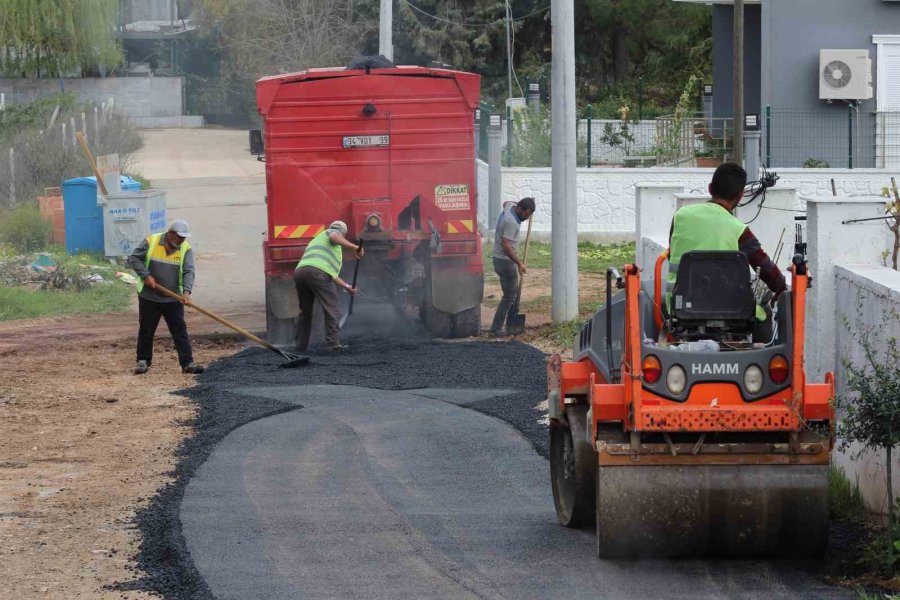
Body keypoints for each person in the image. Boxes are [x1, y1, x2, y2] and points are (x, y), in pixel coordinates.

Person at [668, 163, 786, 336]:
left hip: (677, 306)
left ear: (710, 189)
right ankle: (758, 356)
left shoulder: (681, 215)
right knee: (764, 314)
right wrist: (781, 287)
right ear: (740, 196)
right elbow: (765, 267)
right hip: (730, 310)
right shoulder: (739, 230)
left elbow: (673, 252)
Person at [127, 219, 205, 375]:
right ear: (170, 234)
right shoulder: (152, 241)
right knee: (146, 329)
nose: (181, 240)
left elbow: (189, 271)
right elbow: (134, 258)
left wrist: (186, 292)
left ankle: (187, 363)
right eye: (179, 237)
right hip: (149, 296)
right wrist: (146, 276)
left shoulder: (185, 249)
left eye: (184, 238)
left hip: (173, 298)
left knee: (179, 330)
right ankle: (143, 361)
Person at [293, 220, 364, 352]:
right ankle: (333, 345)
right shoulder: (332, 233)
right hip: (316, 273)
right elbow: (333, 236)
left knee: (305, 312)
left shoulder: (319, 241)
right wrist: (355, 247)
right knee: (333, 308)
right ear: (343, 234)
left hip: (300, 273)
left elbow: (330, 274)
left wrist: (348, 287)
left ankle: (300, 347)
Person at [490, 197, 536, 337]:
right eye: (526, 215)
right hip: (505, 262)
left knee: (512, 293)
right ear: (519, 209)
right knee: (510, 296)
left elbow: (505, 202)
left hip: (500, 259)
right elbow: (506, 246)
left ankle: (510, 322)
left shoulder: (510, 206)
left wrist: (529, 202)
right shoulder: (510, 222)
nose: (527, 218)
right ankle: (496, 328)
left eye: (529, 216)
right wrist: (519, 263)